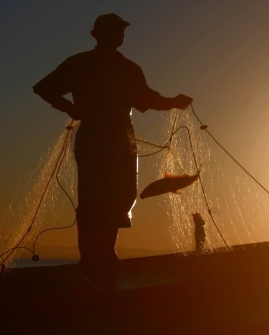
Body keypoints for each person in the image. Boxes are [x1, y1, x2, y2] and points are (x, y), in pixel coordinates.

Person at [33, 13, 192, 266]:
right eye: (111, 31)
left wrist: (174, 102)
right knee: (92, 197)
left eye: (120, 31)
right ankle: (88, 259)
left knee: (122, 195)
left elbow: (148, 99)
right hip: (94, 135)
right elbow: (43, 87)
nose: (117, 36)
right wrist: (69, 107)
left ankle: (107, 253)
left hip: (122, 137)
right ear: (96, 34)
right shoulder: (79, 63)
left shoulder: (129, 68)